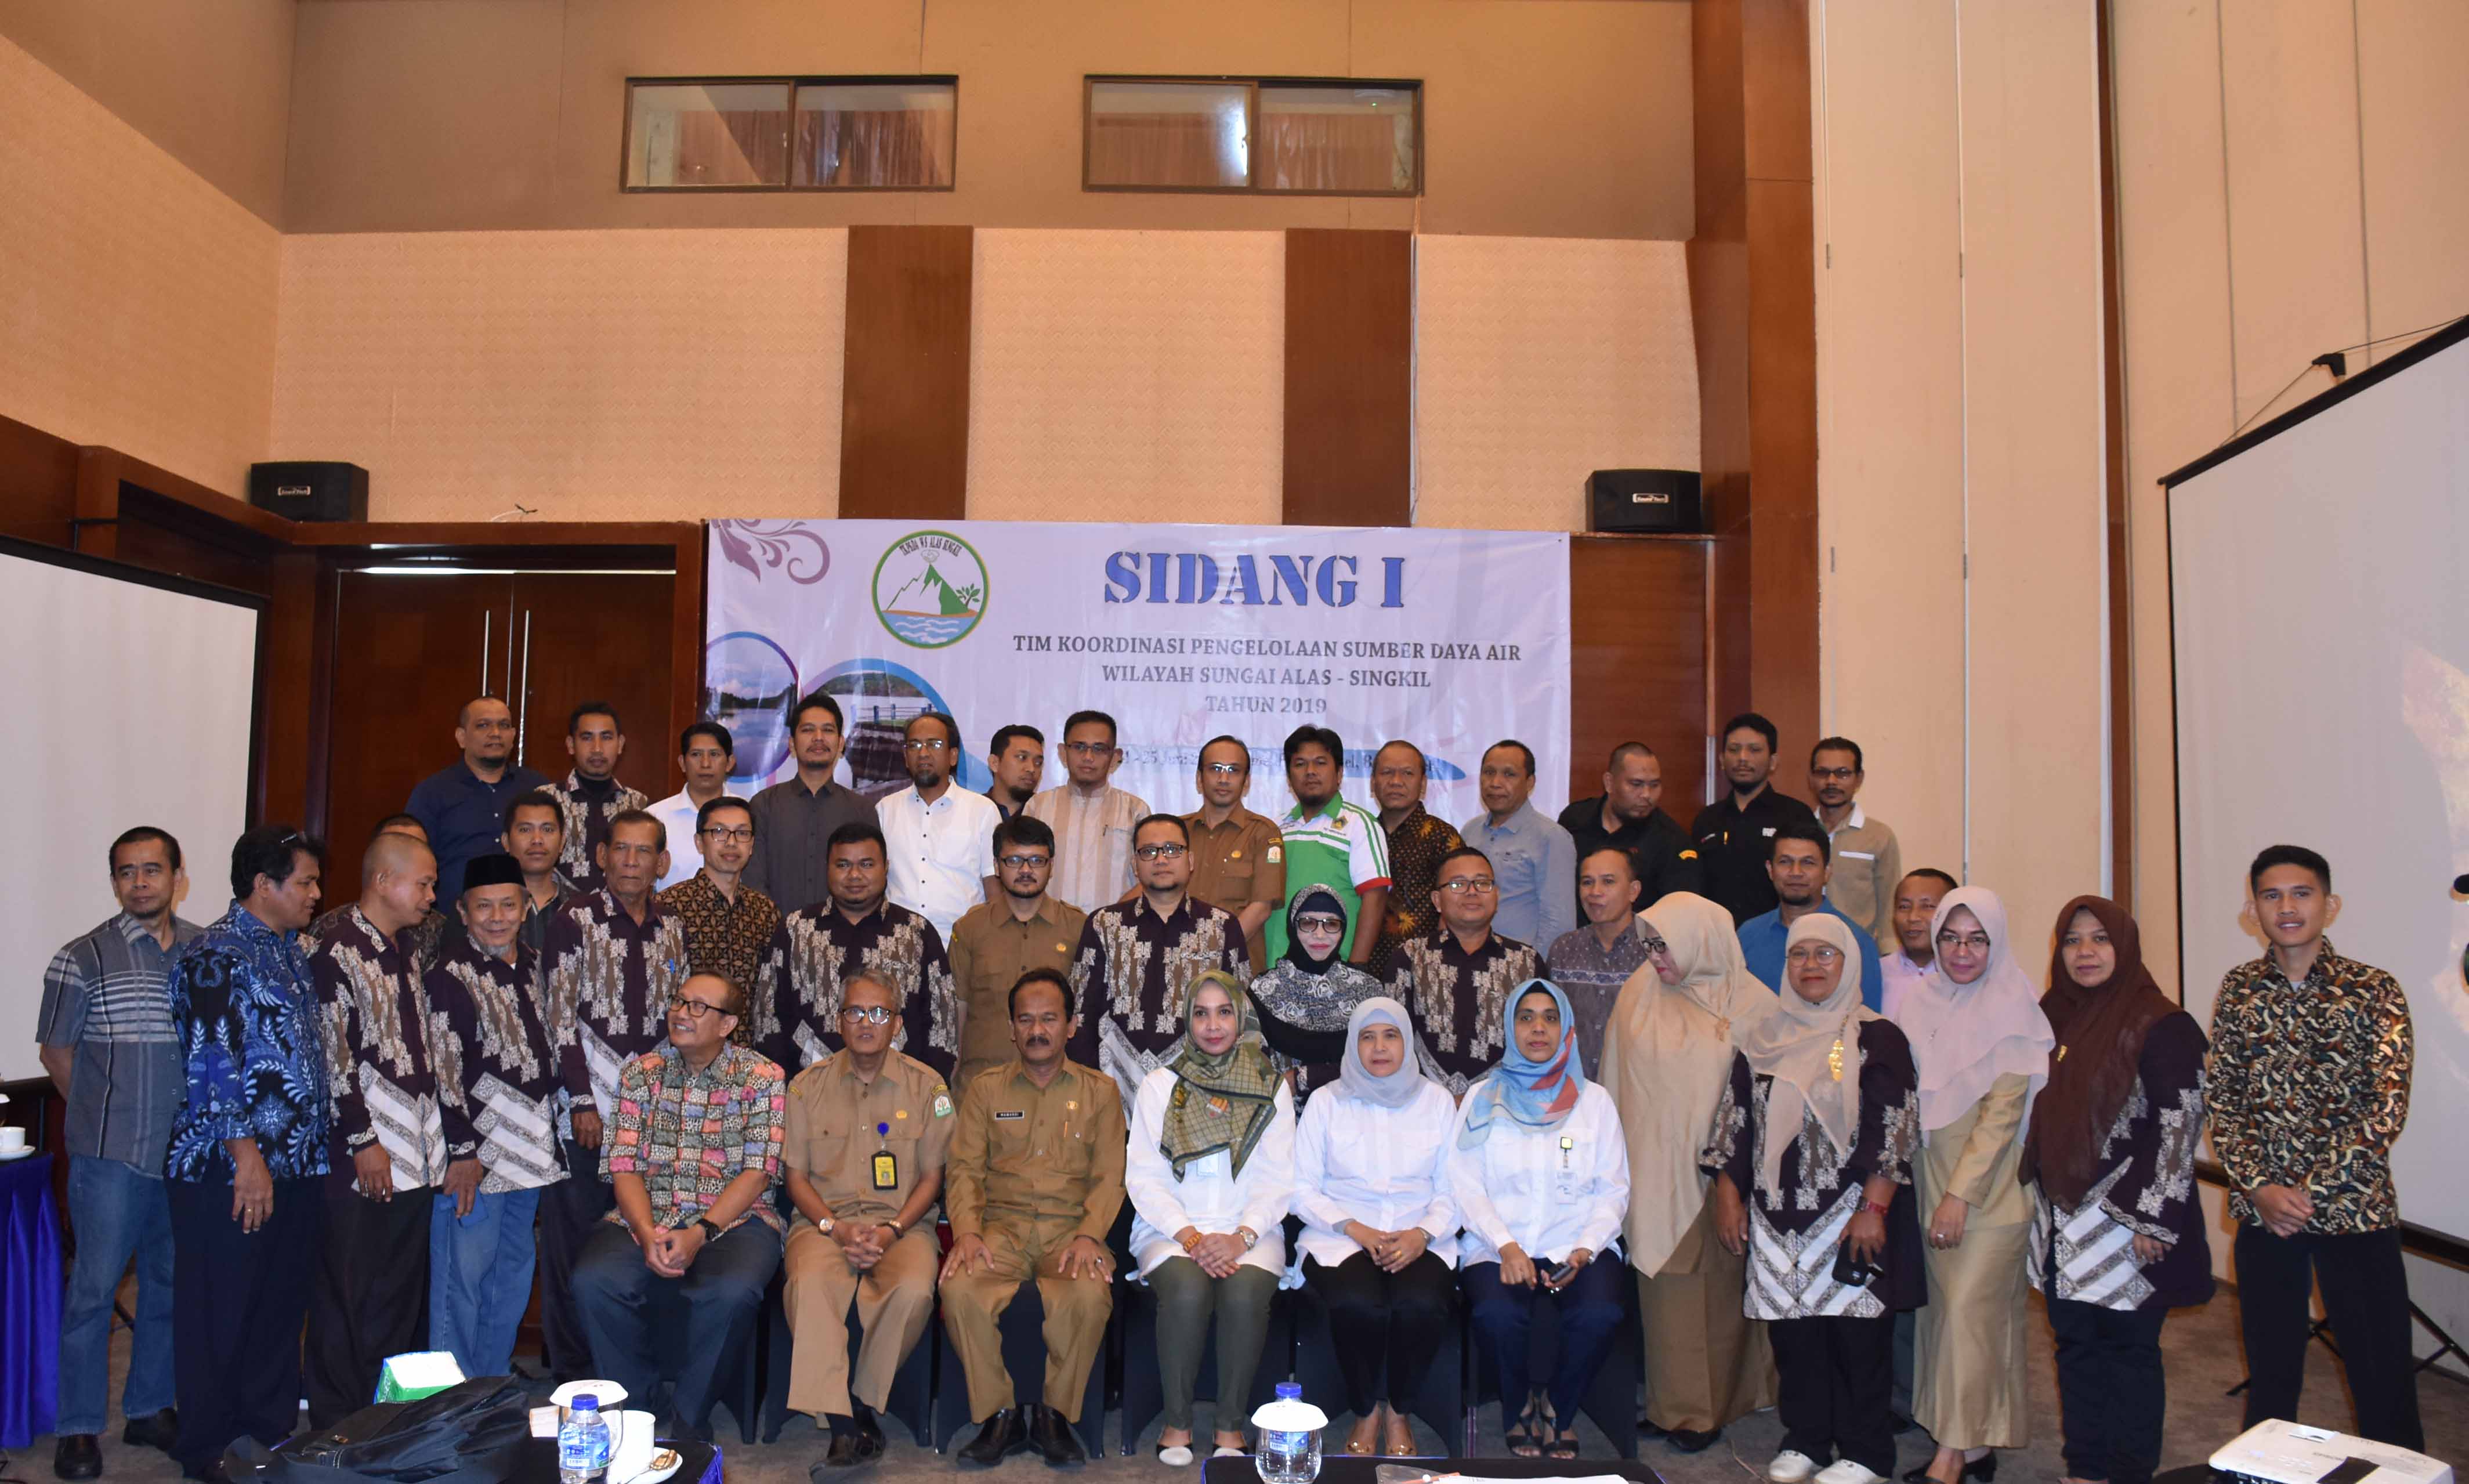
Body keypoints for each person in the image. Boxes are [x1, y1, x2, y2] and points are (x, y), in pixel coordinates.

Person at [2205, 845, 2420, 1449]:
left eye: (2300, 892)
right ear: (2252, 910)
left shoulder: (2373, 988)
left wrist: (2307, 1193)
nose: (2287, 906)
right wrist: (2259, 1187)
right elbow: (2222, 1097)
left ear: (2330, 903)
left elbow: (2385, 1107)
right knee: (2271, 1375)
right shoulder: (2238, 988)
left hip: (2355, 1210)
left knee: (2380, 1374)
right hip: (2263, 1213)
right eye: (2271, 895)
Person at [1706, 914, 1922, 1484]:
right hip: (1776, 1216)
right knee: (1794, 1335)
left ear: (1848, 962)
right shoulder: (1761, 1035)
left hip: (1848, 1211)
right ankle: (1805, 1438)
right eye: (1800, 954)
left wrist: (1873, 1208)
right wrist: (1728, 1194)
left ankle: (1866, 1451)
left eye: (1825, 954)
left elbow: (1893, 1127)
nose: (1810, 965)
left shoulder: (1875, 1036)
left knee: (1856, 1338)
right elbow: (1734, 1121)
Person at [2023, 896, 2211, 1484]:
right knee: (2073, 1345)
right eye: (2072, 939)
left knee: (2129, 1352)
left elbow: (2179, 1124)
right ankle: (2085, 1466)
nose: (2083, 951)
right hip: (2059, 1214)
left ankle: (2129, 1471)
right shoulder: (2049, 1014)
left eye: (2099, 938)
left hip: (2125, 1219)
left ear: (2123, 946)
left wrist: (2150, 1220)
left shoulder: (2160, 1021)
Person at [164, 827, 331, 1484]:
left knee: (277, 1305)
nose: (317, 893)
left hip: (297, 1163)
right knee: (219, 1308)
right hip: (227, 1168)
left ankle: (264, 1431)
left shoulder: (288, 951)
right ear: (264, 885)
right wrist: (246, 1158)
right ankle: (207, 1444)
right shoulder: (214, 954)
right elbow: (210, 1063)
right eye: (306, 882)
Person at [37, 828, 201, 1481]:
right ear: (114, 882)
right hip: (109, 1157)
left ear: (176, 877)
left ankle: (149, 1407)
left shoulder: (200, 952)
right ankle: (78, 1428)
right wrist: (101, 1114)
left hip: (183, 1156)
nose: (140, 882)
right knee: (93, 1293)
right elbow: (56, 1050)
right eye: (127, 872)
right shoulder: (82, 956)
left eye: (152, 869)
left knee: (167, 1284)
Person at [571, 972, 787, 1441]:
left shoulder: (763, 1076)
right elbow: (623, 1165)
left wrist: (701, 1232)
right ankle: (640, 1406)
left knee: (732, 1290)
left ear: (728, 1024)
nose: (681, 1013)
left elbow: (758, 1171)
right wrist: (646, 1231)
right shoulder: (641, 1073)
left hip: (736, 1219)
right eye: (679, 1001)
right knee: (594, 1281)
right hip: (647, 1212)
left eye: (698, 1007)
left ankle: (691, 1414)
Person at [1601, 892, 1776, 1455]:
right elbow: (1615, 1082)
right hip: (1650, 1166)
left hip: (1726, 1173)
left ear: (1702, 940)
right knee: (1665, 1293)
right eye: (1647, 943)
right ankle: (1674, 1406)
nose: (1654, 956)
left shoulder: (1754, 1004)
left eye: (1664, 944)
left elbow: (1769, 1099)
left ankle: (1711, 1406)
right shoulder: (1637, 993)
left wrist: (1735, 1176)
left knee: (1722, 1294)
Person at [305, 831, 465, 1429]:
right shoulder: (336, 950)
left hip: (416, 1152)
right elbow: (332, 1055)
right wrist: (361, 1141)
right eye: (423, 882)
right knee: (351, 1290)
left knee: (399, 1289)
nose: (431, 894)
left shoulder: (404, 949)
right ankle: (337, 1422)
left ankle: (386, 1415)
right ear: (382, 880)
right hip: (366, 1151)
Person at [1894, 888, 2052, 1484]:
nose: (1962, 951)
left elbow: (2000, 1120)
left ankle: (1950, 1456)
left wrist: (1958, 1196)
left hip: (1986, 1193)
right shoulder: (1919, 1001)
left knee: (1966, 1313)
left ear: (1996, 941)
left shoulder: (2015, 1009)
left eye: (1976, 938)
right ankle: (1975, 1441)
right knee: (1953, 1319)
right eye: (1951, 937)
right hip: (1928, 1181)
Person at [940, 969, 1127, 1467]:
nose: (1037, 1030)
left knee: (1088, 1295)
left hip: (1072, 1233)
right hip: (1000, 1231)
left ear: (1071, 1026)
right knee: (960, 1288)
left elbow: (1111, 1176)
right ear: (1011, 1028)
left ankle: (1053, 1415)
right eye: (1026, 1020)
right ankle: (999, 1412)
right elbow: (963, 1171)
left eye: (1049, 1018)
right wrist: (967, 1233)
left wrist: (1091, 1236)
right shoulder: (985, 1090)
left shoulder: (1101, 1092)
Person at [1447, 980, 1630, 1462]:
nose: (1538, 1028)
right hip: (1499, 1244)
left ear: (1565, 1028)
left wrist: (1586, 1249)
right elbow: (1464, 1183)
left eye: (1550, 1017)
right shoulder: (1483, 1098)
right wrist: (1506, 1246)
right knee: (1496, 1314)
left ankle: (1559, 1409)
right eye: (1526, 1017)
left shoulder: (1595, 1103)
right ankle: (1517, 1408)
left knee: (1601, 1313)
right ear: (1510, 1027)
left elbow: (1614, 1189)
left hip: (1579, 1244)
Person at [539, 809, 690, 1385]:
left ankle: (632, 1368)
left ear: (662, 862)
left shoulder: (671, 924)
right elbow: (558, 1018)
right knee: (574, 1244)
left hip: (650, 1116)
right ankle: (573, 1372)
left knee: (639, 1236)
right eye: (620, 850)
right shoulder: (572, 919)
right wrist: (580, 1099)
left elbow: (681, 1019)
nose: (631, 861)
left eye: (643, 851)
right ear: (602, 857)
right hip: (586, 1112)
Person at [1123, 971, 1298, 1464]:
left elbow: (1278, 1178)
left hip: (1251, 1228)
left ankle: (1230, 1427)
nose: (1213, 1025)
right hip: (1172, 1229)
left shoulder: (1270, 1086)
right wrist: (1192, 1236)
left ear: (1241, 1018)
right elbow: (1144, 1177)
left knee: (1244, 1293)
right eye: (1201, 1013)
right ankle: (1177, 1422)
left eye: (1224, 1012)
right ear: (1187, 1020)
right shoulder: (1161, 1084)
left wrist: (1242, 1236)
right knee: (1187, 1289)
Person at [780, 972, 955, 1464]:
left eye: (879, 1013)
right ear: (839, 1021)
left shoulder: (928, 1087)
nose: (866, 1023)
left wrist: (892, 1228)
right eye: (855, 1012)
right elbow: (796, 1181)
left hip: (904, 1225)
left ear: (896, 1023)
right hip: (823, 1223)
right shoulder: (805, 1088)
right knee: (811, 1283)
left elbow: (931, 1178)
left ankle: (857, 1404)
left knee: (915, 1289)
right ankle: (845, 1427)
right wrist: (835, 1229)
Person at [1293, 997, 1461, 1458]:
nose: (1380, 1048)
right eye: (1367, 1037)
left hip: (1421, 1234)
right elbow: (1301, 1188)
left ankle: (1400, 1410)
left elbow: (1454, 1189)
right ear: (1353, 1044)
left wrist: (1421, 1234)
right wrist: (1355, 1228)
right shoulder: (1327, 1103)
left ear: (1408, 1043)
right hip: (1340, 1237)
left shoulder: (1437, 1102)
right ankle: (1366, 1410)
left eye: (1391, 1036)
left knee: (1422, 1304)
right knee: (1357, 1303)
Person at [423, 852, 566, 1382]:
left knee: (511, 1274)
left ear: (527, 907)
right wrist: (461, 1154)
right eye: (484, 907)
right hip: (476, 1158)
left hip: (529, 1152)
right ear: (463, 912)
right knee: (462, 1281)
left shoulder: (534, 963)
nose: (497, 916)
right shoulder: (448, 976)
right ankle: (445, 1402)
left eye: (509, 904)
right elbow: (443, 1073)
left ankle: (487, 1384)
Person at [1066, 813, 1252, 1109]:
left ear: (1190, 860)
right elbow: (1082, 1016)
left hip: (1200, 1090)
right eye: (1149, 851)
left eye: (1172, 850)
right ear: (1134, 865)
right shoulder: (1104, 924)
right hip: (1113, 1088)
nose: (1161, 859)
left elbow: (1243, 1018)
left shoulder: (1222, 926)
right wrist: (1090, 1094)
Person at [754, 821, 958, 1078]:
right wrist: (783, 1090)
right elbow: (767, 1018)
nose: (854, 875)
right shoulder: (795, 930)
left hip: (901, 1092)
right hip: (809, 1091)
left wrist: (928, 1089)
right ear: (827, 869)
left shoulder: (916, 932)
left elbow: (943, 1024)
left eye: (866, 864)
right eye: (843, 865)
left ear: (886, 868)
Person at [1388, 846, 1543, 1096]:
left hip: (1506, 1104)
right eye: (1458, 885)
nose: (1472, 892)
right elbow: (1392, 1039)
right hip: (1420, 1105)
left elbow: (1540, 1045)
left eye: (1482, 883)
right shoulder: (1409, 956)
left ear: (1497, 896)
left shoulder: (1527, 962)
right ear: (1437, 901)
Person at [947, 815, 1087, 1087]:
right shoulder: (970, 928)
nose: (1025, 870)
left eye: (1036, 860)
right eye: (1014, 860)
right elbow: (957, 1008)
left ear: (1052, 866)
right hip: (981, 1083)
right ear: (997, 866)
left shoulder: (1078, 928)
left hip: (1057, 1085)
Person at [1244, 885, 1390, 1095]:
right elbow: (1251, 1064)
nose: (1320, 935)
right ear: (1293, 926)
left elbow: (1382, 1062)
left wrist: (1302, 1079)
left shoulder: (1367, 991)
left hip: (1354, 1115)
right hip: (1283, 1116)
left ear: (1344, 929)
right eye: (1308, 923)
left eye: (1331, 924)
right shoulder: (1264, 990)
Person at [745, 692, 881, 917]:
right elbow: (753, 882)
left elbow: (870, 883)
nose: (818, 738)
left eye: (828, 730)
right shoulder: (764, 805)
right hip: (776, 939)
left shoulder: (862, 810)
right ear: (791, 744)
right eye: (808, 730)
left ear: (840, 744)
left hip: (843, 940)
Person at [406, 696, 551, 900]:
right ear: (461, 737)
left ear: (513, 735)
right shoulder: (432, 793)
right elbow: (411, 862)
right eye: (483, 725)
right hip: (451, 920)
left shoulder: (538, 789)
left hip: (526, 915)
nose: (495, 733)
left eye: (504, 725)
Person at [1268, 726, 1389, 965]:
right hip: (1275, 972)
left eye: (1320, 763)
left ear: (1340, 773)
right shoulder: (1274, 829)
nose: (1310, 772)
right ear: (1289, 776)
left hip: (1336, 973)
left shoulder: (1360, 824)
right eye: (1300, 764)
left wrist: (1356, 969)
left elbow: (1375, 899)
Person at [877, 710, 1001, 942]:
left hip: (960, 946)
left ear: (953, 756)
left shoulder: (983, 811)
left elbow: (994, 890)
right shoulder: (885, 810)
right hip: (897, 945)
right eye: (914, 745)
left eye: (934, 744)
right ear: (905, 756)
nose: (923, 753)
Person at [1738, 823, 1886, 1011]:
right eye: (1785, 862)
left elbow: (1868, 1022)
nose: (1796, 872)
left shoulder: (1855, 941)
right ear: (1770, 870)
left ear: (1827, 872)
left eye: (1808, 863)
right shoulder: (1748, 935)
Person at [1690, 713, 1820, 925]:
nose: (1743, 758)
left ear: (1773, 761)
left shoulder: (1796, 816)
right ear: (1722, 760)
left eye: (1754, 750)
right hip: (1717, 942)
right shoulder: (1707, 820)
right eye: (1734, 749)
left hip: (1778, 938)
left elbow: (1809, 885)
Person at [657, 796, 781, 1017]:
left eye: (742, 833)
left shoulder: (765, 911)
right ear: (699, 842)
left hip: (749, 1047)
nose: (731, 843)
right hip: (685, 1043)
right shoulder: (670, 906)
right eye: (719, 832)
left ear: (752, 845)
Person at [1025, 710, 1151, 913]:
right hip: (1049, 931)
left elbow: (1152, 876)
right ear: (1063, 753)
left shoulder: (1136, 810)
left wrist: (1116, 917)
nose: (1088, 757)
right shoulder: (1038, 807)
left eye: (1099, 749)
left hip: (1114, 933)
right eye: (1079, 747)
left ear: (1115, 757)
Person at [1557, 742, 1702, 918]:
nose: (1647, 795)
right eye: (1636, 784)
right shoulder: (1575, 820)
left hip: (1638, 942)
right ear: (1609, 783)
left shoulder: (1672, 841)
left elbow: (1680, 915)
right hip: (1574, 938)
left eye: (1654, 785)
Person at [1182, 735, 1287, 973]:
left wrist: (1211, 953)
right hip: (1176, 966)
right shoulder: (1177, 832)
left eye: (1233, 770)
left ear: (1246, 782)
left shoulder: (1263, 832)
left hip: (1234, 968)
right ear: (1199, 779)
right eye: (1215, 769)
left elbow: (1261, 909)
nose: (1223, 778)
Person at [1460, 740, 1577, 952]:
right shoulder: (1470, 832)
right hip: (1468, 963)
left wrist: (1533, 973)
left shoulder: (1551, 837)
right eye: (1489, 772)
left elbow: (1559, 922)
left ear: (1530, 782)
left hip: (1521, 971)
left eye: (1509, 774)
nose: (1495, 783)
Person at [1545, 847, 1650, 1077]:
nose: (1595, 892)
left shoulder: (1654, 950)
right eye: (1587, 882)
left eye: (1608, 882)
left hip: (1635, 1087)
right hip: (1572, 1089)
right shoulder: (1564, 949)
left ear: (1634, 891)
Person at [1367, 741, 1464, 979]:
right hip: (1366, 970)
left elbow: (1458, 907)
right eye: (1387, 772)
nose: (1396, 781)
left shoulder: (1443, 837)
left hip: (1426, 972)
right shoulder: (1362, 833)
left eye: (1407, 773)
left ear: (1423, 784)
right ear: (1373, 782)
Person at [307, 815, 450, 967]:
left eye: (419, 847)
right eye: (398, 848)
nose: (431, 896)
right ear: (382, 879)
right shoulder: (330, 933)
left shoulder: (440, 933)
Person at [548, 701, 650, 895]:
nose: (597, 748)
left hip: (622, 915)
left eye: (606, 737)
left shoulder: (638, 804)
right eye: (587, 738)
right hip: (558, 915)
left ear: (620, 745)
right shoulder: (547, 800)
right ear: (571, 745)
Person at [1810, 739, 1900, 945]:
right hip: (1802, 950)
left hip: (1859, 951)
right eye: (1823, 773)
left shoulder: (1879, 836)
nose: (1831, 781)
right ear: (1811, 778)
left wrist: (1888, 954)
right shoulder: (1799, 832)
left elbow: (1889, 904)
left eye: (1842, 773)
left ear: (1859, 779)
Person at [649, 721, 736, 890]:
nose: (705, 764)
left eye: (714, 754)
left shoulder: (749, 814)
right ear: (682, 762)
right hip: (669, 915)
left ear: (730, 763)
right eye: (696, 755)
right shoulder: (654, 818)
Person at [501, 789, 577, 956]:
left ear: (562, 842)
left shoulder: (581, 908)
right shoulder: (482, 907)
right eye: (525, 830)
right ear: (506, 842)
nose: (537, 840)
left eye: (548, 830)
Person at [1878, 870, 1957, 1022]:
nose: (1913, 917)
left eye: (1927, 906)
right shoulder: (1876, 973)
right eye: (1904, 907)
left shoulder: (1966, 977)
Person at [985, 724, 1046, 820]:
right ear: (994, 763)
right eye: (1022, 758)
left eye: (1038, 763)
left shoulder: (1048, 813)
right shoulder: (973, 810)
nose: (1032, 769)